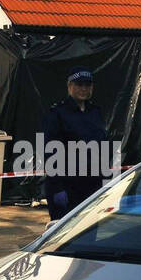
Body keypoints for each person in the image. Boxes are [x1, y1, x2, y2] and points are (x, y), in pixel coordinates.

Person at [42, 65, 109, 221]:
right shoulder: (57, 113)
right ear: (70, 86)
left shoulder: (95, 112)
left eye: (88, 85)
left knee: (90, 231)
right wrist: (57, 187)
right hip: (67, 184)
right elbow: (50, 151)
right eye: (79, 85)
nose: (84, 89)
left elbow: (102, 146)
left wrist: (105, 180)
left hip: (92, 183)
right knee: (64, 236)